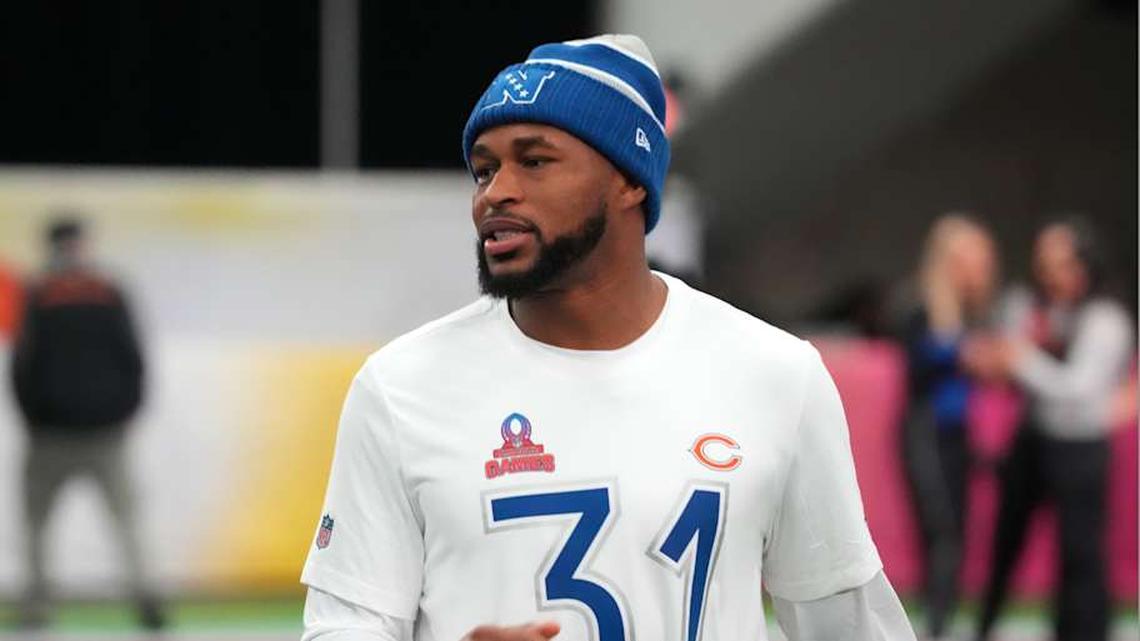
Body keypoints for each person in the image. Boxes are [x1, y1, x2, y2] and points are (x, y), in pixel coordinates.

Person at [300, 35, 916, 641]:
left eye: (534, 160)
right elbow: (343, 628)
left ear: (630, 179)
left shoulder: (777, 374)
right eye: (484, 169)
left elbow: (851, 627)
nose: (496, 192)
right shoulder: (399, 389)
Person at [964, 218, 1133, 641]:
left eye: (1061, 264)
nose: (1051, 275)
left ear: (1084, 266)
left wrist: (1020, 359)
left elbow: (1076, 387)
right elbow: (1002, 352)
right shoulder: (1031, 307)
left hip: (1079, 447)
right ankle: (984, 626)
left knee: (1080, 554)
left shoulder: (1106, 318)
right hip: (1033, 440)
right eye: (1045, 264)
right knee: (1005, 544)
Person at [10, 216, 164, 630]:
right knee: (128, 520)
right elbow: (134, 359)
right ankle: (146, 596)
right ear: (82, 244)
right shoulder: (110, 291)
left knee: (37, 526)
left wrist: (35, 418)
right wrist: (124, 412)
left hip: (50, 436)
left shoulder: (38, 295)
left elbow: (22, 367)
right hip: (105, 435)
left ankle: (38, 607)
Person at [900, 216, 997, 640]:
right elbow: (919, 366)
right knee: (942, 538)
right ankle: (935, 629)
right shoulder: (925, 311)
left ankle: (943, 625)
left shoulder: (973, 316)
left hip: (957, 438)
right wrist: (963, 354)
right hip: (927, 436)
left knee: (955, 539)